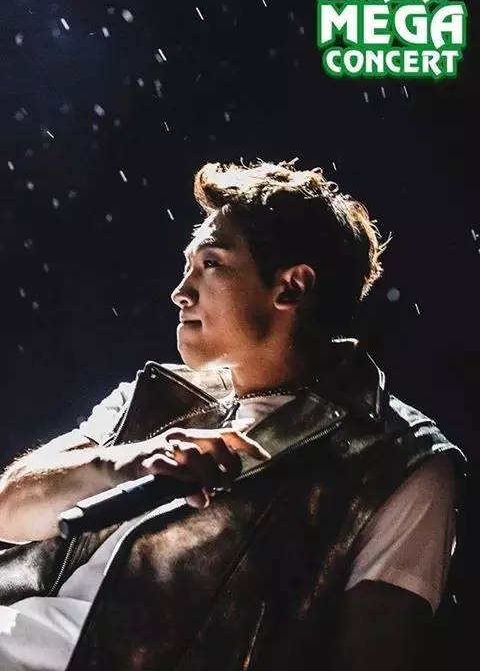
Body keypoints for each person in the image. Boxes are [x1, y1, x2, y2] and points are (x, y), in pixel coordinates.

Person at [0, 160, 465, 671]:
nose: (181, 291)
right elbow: (8, 507)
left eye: (211, 264)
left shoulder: (400, 461)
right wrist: (126, 464)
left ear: (291, 287)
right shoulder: (152, 394)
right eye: (188, 266)